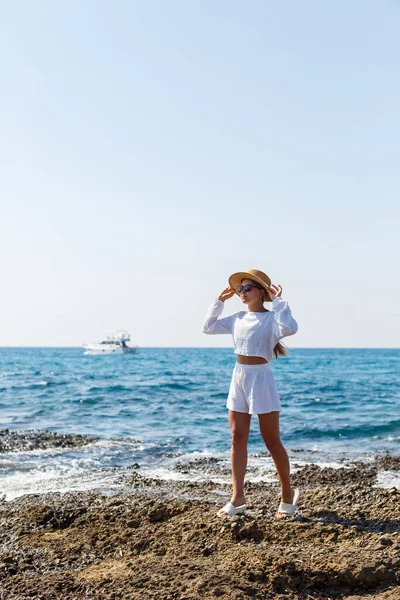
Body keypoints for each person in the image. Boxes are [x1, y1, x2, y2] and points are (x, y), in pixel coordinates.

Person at [202, 269, 299, 518]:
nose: (242, 293)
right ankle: (238, 498)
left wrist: (279, 302)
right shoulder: (236, 318)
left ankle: (288, 495)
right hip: (239, 376)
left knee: (271, 440)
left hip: (261, 379)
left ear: (261, 292)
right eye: (239, 289)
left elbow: (290, 327)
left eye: (247, 288)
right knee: (237, 437)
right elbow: (208, 327)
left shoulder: (272, 319)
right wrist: (219, 302)